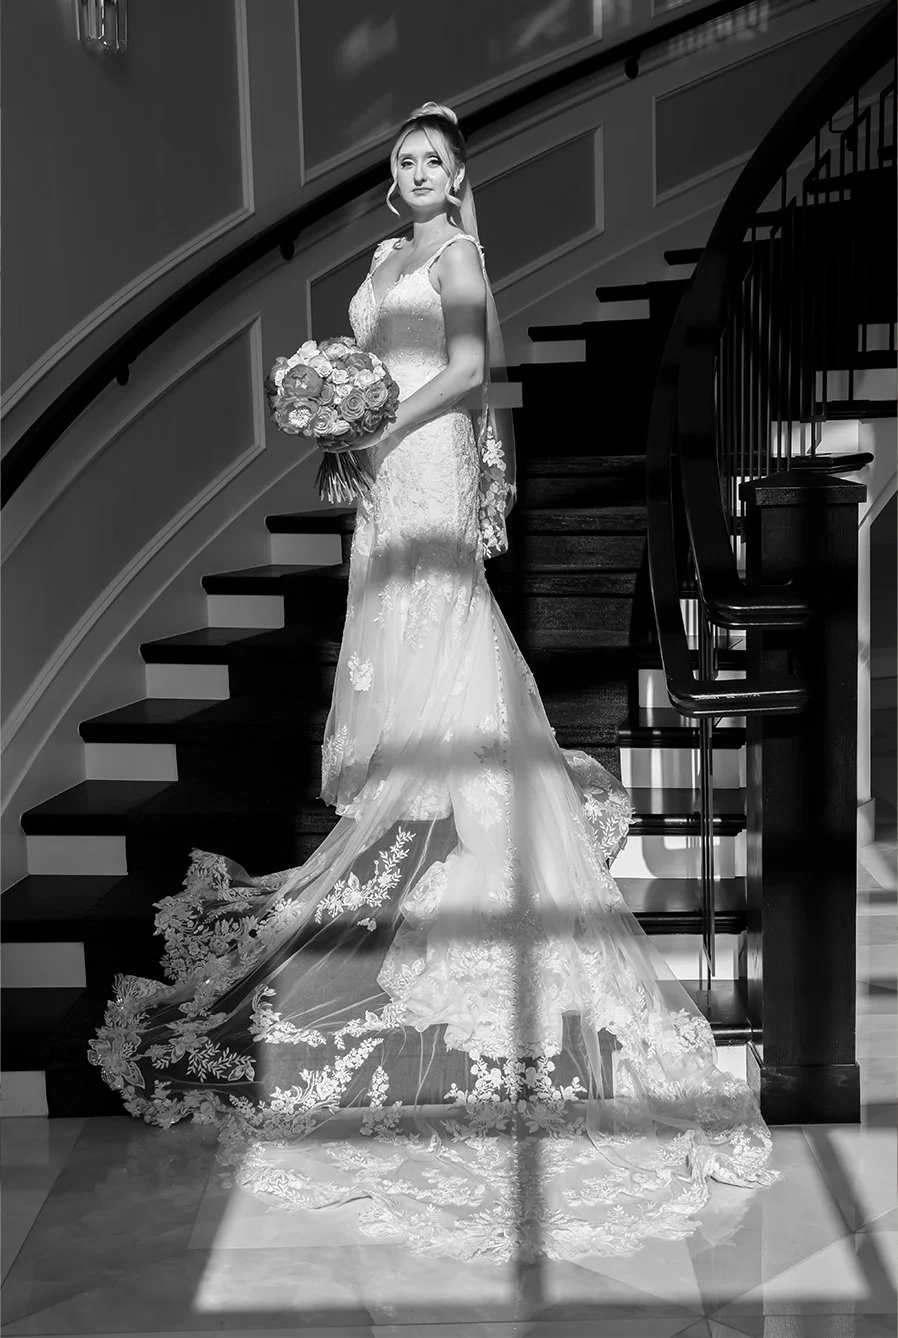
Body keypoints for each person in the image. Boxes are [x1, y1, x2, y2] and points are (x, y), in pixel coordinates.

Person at [89, 102, 776, 1264]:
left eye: (432, 163)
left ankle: (476, 855)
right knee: (395, 644)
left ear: (458, 182)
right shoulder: (379, 257)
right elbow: (373, 352)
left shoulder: (456, 256)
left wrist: (374, 419)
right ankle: (414, 824)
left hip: (429, 462)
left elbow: (467, 366)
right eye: (402, 162)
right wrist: (342, 421)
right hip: (384, 474)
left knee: (443, 629)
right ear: (394, 181)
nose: (414, 176)